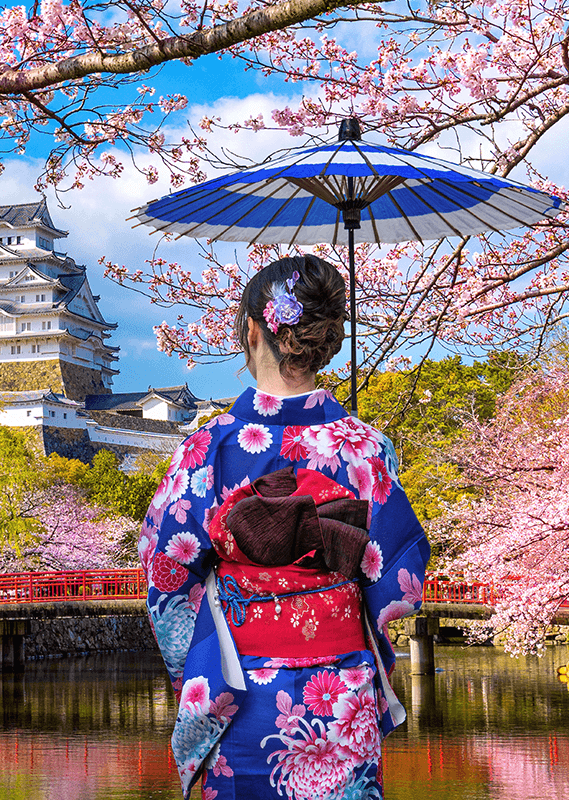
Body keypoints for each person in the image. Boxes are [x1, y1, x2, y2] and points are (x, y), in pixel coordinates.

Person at [139, 255, 430, 800]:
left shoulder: (207, 448)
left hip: (241, 691)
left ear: (252, 330)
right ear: (326, 339)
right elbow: (400, 578)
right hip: (338, 694)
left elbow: (165, 570)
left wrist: (196, 663)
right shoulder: (366, 447)